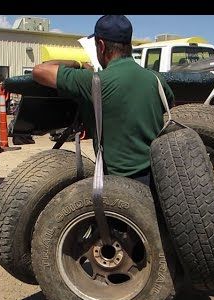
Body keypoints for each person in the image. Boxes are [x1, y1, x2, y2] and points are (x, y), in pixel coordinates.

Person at [32, 15, 174, 185]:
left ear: (101, 45)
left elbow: (39, 70)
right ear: (129, 44)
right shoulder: (157, 80)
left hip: (118, 185)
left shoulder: (92, 80)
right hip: (159, 179)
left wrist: (77, 63)